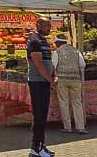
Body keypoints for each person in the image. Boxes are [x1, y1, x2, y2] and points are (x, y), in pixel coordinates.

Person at [27, 18, 56, 157]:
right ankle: (36, 148)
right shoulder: (34, 40)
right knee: (39, 115)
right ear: (38, 25)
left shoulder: (43, 39)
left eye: (50, 25)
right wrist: (50, 80)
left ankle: (40, 146)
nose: (49, 27)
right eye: (47, 25)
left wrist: (52, 75)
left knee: (42, 115)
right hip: (38, 82)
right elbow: (39, 65)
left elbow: (47, 61)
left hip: (43, 82)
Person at [52, 34, 86, 134]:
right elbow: (82, 65)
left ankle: (67, 127)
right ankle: (80, 127)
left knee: (64, 103)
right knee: (77, 103)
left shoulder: (56, 52)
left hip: (62, 80)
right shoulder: (76, 51)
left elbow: (53, 66)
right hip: (76, 80)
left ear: (58, 43)